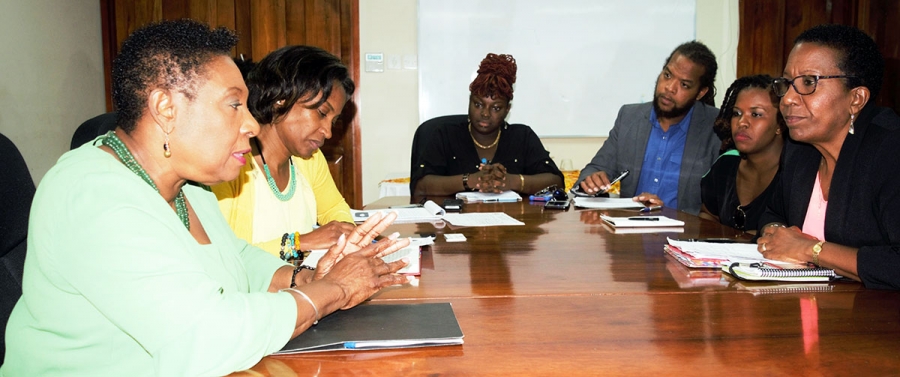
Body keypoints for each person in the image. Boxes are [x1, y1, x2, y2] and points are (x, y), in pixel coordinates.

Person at [2, 20, 410, 375]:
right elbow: (206, 338)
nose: (251, 123)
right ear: (165, 107)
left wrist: (304, 278)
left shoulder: (187, 190)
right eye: (234, 105)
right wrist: (332, 291)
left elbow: (238, 260)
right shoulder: (94, 195)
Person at [757, 24, 900, 290]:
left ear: (856, 98)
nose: (787, 99)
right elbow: (772, 212)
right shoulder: (800, 148)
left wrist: (811, 250)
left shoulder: (890, 150)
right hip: (812, 311)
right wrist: (775, 234)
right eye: (787, 84)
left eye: (808, 82)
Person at [212, 46, 356, 255]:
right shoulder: (229, 166)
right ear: (281, 98)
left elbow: (334, 208)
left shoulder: (310, 160)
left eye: (334, 121)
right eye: (322, 113)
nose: (328, 132)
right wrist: (297, 244)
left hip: (302, 284)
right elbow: (227, 258)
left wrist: (345, 233)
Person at [577, 41, 720, 215]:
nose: (669, 88)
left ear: (701, 93)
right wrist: (591, 179)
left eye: (684, 85)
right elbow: (594, 169)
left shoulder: (716, 128)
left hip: (684, 236)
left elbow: (720, 208)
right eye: (667, 75)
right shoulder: (629, 117)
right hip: (628, 233)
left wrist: (665, 212)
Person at [410, 53, 564, 196]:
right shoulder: (445, 134)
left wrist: (511, 181)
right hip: (454, 223)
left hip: (514, 222)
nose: (485, 113)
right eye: (478, 104)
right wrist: (470, 180)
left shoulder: (522, 137)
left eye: (496, 108)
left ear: (507, 109)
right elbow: (421, 186)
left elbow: (556, 182)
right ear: (469, 101)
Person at [700, 75, 786, 233]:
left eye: (756, 114)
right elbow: (708, 215)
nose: (741, 123)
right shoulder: (726, 164)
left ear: (780, 124)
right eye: (737, 113)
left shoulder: (794, 175)